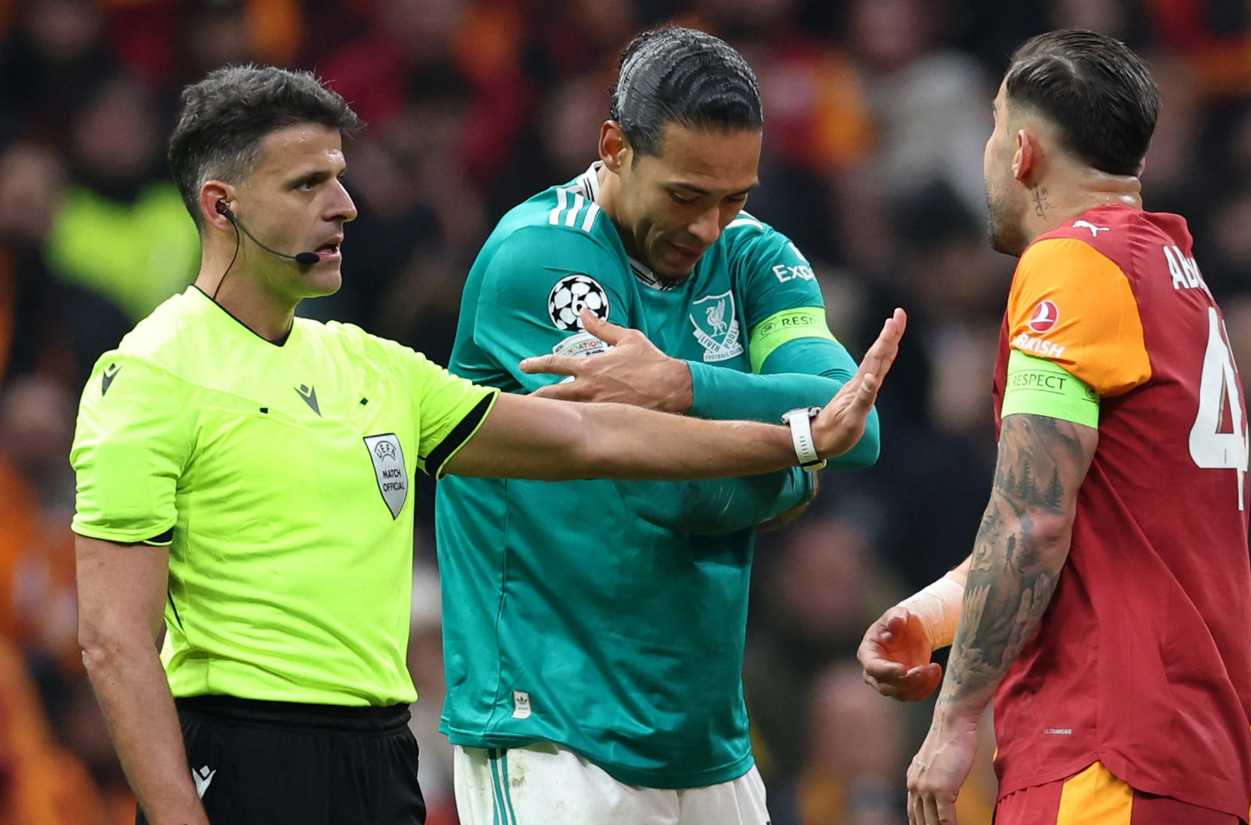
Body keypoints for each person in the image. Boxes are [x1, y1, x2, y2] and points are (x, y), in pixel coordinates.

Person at [70, 64, 903, 825]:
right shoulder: (146, 375)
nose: (345, 205)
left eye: (341, 178)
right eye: (309, 183)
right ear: (223, 205)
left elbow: (588, 437)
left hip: (382, 752)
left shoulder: (375, 365)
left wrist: (795, 436)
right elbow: (113, 638)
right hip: (249, 746)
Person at [434, 25, 881, 825]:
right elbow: (651, 479)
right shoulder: (542, 260)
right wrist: (792, 458)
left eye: (734, 196)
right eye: (685, 195)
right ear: (614, 147)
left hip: (703, 733)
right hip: (551, 727)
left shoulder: (754, 257)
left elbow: (856, 416)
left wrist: (680, 385)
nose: (709, 226)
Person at [858, 30, 1251, 825]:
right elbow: (1080, 519)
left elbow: (1031, 519)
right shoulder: (1173, 275)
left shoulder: (1072, 265)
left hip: (1103, 746)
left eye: (993, 128)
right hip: (1196, 755)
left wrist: (952, 719)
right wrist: (936, 617)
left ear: (1024, 152)